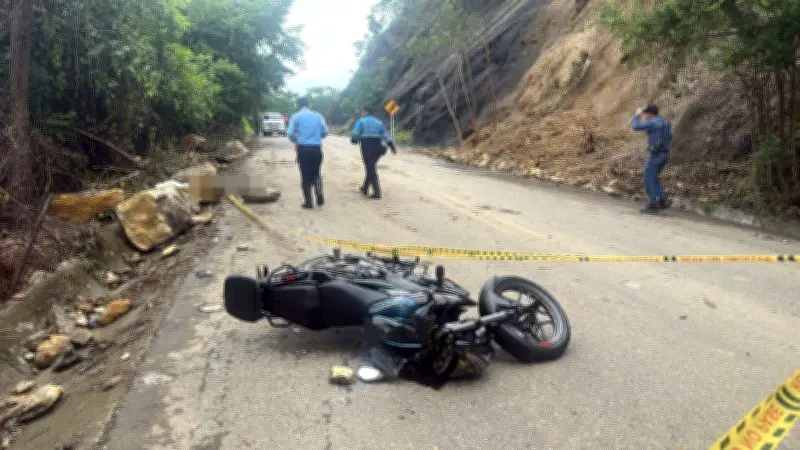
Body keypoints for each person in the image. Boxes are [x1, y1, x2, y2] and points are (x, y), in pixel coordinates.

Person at [287, 97, 329, 209]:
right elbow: (325, 132)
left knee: (305, 175)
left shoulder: (295, 116)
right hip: (316, 149)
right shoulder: (318, 116)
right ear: (308, 104)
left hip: (303, 149)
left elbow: (290, 133)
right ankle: (319, 194)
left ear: (298, 105)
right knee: (316, 173)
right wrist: (317, 137)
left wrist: (297, 140)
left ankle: (309, 202)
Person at [632, 103, 672, 214]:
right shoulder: (665, 121)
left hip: (656, 155)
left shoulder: (653, 122)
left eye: (645, 114)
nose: (644, 116)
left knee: (648, 180)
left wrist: (637, 115)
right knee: (654, 178)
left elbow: (635, 126)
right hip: (665, 154)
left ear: (650, 114)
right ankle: (662, 200)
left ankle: (653, 204)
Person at [350, 106, 396, 199]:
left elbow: (356, 134)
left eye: (361, 112)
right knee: (370, 167)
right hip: (377, 147)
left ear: (366, 112)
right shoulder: (379, 122)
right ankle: (365, 188)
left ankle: (377, 192)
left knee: (371, 169)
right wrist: (392, 146)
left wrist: (354, 140)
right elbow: (385, 135)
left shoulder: (361, 121)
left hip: (366, 146)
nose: (360, 113)